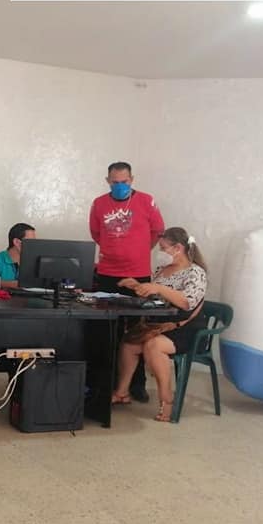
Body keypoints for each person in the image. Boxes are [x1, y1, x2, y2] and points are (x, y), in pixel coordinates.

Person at [111, 227, 208, 423]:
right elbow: (156, 298)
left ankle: (167, 400)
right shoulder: (162, 270)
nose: (160, 252)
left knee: (153, 346)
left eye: (163, 248)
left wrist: (158, 288)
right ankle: (122, 392)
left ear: (178, 248)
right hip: (161, 323)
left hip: (185, 327)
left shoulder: (195, 272)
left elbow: (186, 302)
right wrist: (137, 286)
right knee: (129, 343)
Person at [89, 161, 165, 402]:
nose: (120, 186)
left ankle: (137, 384)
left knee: (137, 331)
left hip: (138, 274)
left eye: (124, 182)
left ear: (132, 180)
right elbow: (96, 233)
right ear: (108, 181)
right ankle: (107, 382)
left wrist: (140, 250)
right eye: (115, 182)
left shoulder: (146, 201)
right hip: (107, 273)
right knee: (106, 330)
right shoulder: (99, 204)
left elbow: (157, 230)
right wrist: (115, 250)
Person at [0, 223, 36, 290]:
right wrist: (19, 284)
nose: (34, 245)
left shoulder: (34, 261)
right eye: (31, 241)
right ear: (16, 242)